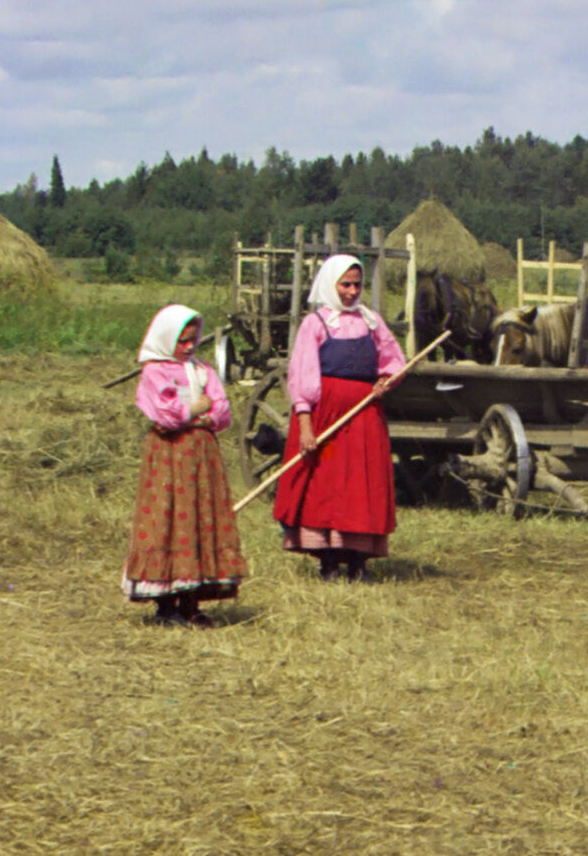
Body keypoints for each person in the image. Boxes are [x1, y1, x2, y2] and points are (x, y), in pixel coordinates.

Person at [273, 253, 402, 580]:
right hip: (325, 414)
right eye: (345, 284)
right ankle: (329, 561)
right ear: (331, 285)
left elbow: (394, 360)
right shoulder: (315, 324)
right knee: (326, 485)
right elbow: (302, 375)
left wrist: (386, 381)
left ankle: (358, 561)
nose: (352, 291)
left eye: (357, 284)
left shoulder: (371, 322)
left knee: (361, 485)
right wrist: (305, 425)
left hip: (364, 415)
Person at [124, 304, 244, 624]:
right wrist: (197, 410)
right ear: (166, 339)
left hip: (201, 457)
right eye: (182, 341)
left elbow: (222, 410)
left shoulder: (203, 371)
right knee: (167, 518)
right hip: (169, 455)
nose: (190, 347)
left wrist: (197, 413)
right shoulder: (154, 371)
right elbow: (165, 415)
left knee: (200, 517)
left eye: (193, 340)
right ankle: (165, 605)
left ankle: (191, 605)